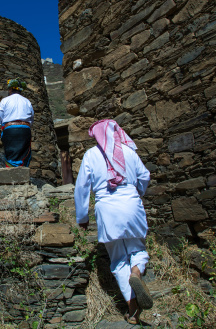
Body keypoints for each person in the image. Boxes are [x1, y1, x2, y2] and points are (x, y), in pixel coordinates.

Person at [74, 119, 152, 325]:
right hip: (131, 204)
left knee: (117, 259)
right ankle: (136, 271)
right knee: (138, 248)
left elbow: (82, 187)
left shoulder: (91, 155)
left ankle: (132, 307)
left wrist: (82, 217)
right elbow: (144, 176)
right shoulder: (129, 152)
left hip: (107, 208)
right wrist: (138, 192)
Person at [0, 78, 34, 167]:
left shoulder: (5, 100)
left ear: (11, 89)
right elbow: (31, 119)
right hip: (25, 130)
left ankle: (11, 177)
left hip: (10, 130)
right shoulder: (27, 101)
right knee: (24, 155)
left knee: (11, 155)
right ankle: (22, 177)